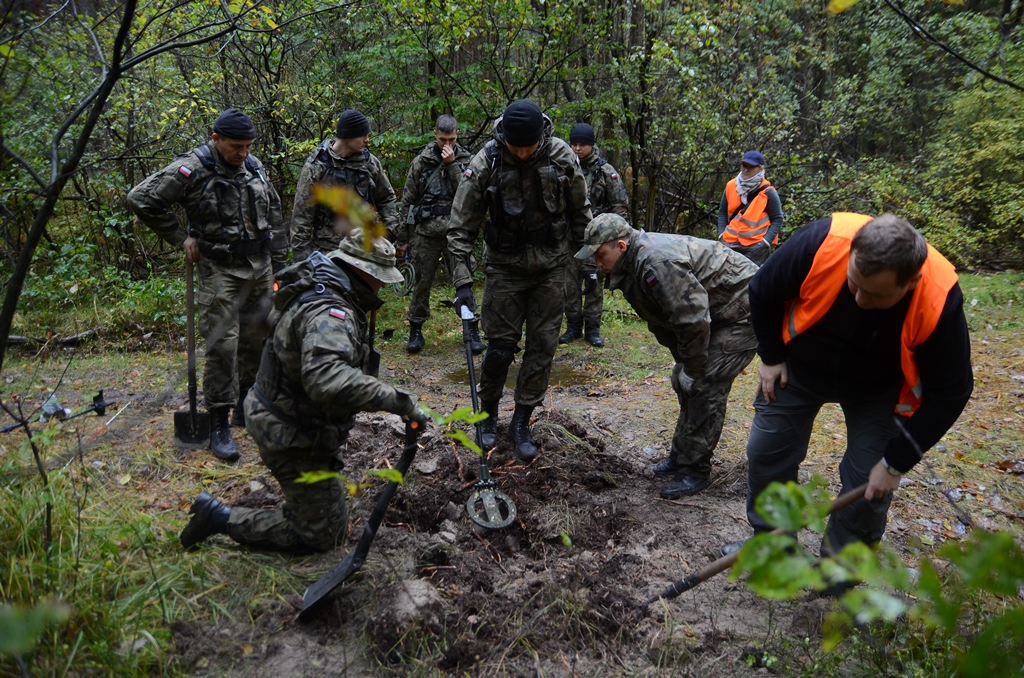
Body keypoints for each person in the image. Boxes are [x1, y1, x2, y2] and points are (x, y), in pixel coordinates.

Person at [730, 213, 973, 560]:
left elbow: (951, 392)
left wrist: (895, 463)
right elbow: (762, 289)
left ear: (911, 282)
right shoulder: (822, 243)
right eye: (853, 283)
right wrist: (770, 356)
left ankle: (838, 571)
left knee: (867, 484)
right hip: (798, 368)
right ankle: (772, 548)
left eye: (874, 295)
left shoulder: (939, 298)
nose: (859, 299)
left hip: (879, 388)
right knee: (766, 452)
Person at [178, 228, 432, 553]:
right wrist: (400, 401)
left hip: (292, 416)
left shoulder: (322, 286)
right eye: (380, 278)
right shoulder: (330, 313)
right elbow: (326, 378)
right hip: (287, 429)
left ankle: (308, 501)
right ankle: (219, 518)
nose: (382, 286)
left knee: (329, 514)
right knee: (322, 535)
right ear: (363, 272)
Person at [128, 109, 288, 461]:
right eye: (236, 147)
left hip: (259, 267)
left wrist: (280, 264)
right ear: (216, 139)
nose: (243, 153)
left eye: (248, 146)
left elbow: (274, 213)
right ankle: (218, 423)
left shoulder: (255, 166)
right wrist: (180, 237)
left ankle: (248, 409)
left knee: (258, 340)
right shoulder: (192, 168)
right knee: (223, 346)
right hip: (220, 269)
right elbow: (141, 198)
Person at [447, 99, 592, 461]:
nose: (523, 153)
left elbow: (581, 214)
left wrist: (588, 263)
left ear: (540, 137)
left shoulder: (561, 156)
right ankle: (487, 416)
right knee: (499, 348)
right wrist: (462, 283)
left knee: (542, 348)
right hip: (505, 267)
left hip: (552, 266)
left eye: (529, 146)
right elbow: (460, 226)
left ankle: (521, 421)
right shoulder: (488, 160)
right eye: (517, 147)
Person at [575, 214, 758, 498]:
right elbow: (663, 321)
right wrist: (683, 363)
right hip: (717, 313)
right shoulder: (632, 265)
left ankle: (695, 470)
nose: (598, 264)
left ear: (620, 246)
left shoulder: (656, 262)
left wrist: (693, 368)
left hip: (747, 310)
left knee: (705, 382)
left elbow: (692, 319)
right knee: (682, 378)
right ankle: (681, 455)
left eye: (600, 255)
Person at [401, 114, 480, 355]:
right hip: (427, 232)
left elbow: (470, 194)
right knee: (422, 282)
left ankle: (471, 329)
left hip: (456, 233)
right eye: (443, 139)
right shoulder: (421, 162)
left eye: (452, 139)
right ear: (435, 134)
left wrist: (452, 164)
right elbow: (407, 200)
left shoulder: (467, 160)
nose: (447, 144)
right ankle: (416, 329)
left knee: (463, 280)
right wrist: (402, 237)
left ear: (458, 135)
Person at [290, 109, 400, 260]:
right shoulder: (317, 167)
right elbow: (302, 217)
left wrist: (389, 234)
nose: (367, 140)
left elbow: (387, 198)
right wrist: (304, 259)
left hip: (365, 252)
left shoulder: (370, 163)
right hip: (328, 253)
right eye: (363, 136)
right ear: (348, 136)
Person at [559, 122, 629, 348]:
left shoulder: (605, 171)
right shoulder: (565, 167)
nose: (577, 148)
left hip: (597, 240)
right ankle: (573, 327)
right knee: (569, 285)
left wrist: (614, 238)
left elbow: (620, 206)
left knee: (593, 284)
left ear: (591, 145)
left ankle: (592, 329)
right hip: (570, 237)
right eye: (574, 144)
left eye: (582, 144)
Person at [717, 150, 783, 266]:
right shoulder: (731, 186)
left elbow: (778, 219)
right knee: (723, 275)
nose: (746, 170)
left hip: (755, 246)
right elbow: (722, 212)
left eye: (751, 166)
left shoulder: (768, 192)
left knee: (751, 277)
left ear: (760, 168)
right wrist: (721, 235)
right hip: (728, 241)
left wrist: (765, 242)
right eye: (744, 165)